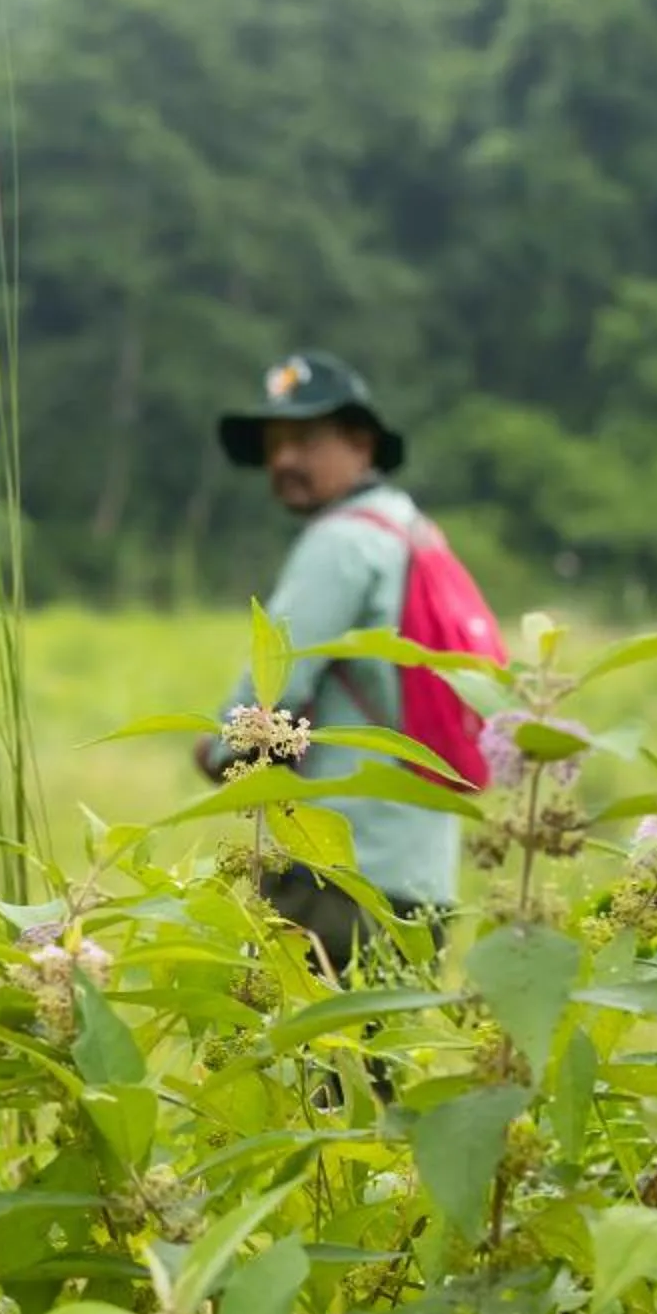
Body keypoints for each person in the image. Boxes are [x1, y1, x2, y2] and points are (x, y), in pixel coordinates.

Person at [197, 350, 458, 974]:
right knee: (376, 1066)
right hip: (421, 878)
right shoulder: (413, 530)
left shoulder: (340, 542)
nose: (283, 459)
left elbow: (268, 696)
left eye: (304, 440)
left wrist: (212, 753)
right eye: (273, 444)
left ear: (360, 442)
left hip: (336, 877)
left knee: (307, 1067)